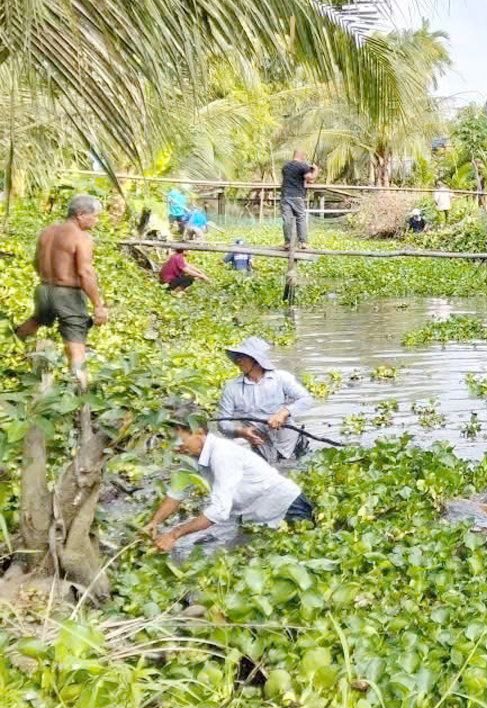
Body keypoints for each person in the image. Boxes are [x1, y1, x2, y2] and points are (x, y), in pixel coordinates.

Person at [144, 403, 314, 552]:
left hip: (288, 507)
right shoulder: (190, 459)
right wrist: (154, 523)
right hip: (255, 516)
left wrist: (174, 535)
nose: (176, 447)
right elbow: (175, 495)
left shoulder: (222, 454)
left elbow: (219, 510)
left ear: (199, 432)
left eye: (180, 440)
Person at [14, 194, 109, 379]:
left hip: (43, 290)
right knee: (75, 341)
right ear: (81, 214)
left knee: (36, 320)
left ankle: (9, 350)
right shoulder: (82, 237)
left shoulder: (47, 232)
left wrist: (51, 279)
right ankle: (79, 388)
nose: (96, 221)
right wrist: (98, 305)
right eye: (95, 216)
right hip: (67, 294)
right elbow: (85, 273)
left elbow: (36, 262)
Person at [218, 336, 315, 466]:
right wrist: (241, 432)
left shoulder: (281, 378)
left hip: (293, 444)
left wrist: (283, 413)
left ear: (256, 360)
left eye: (243, 356)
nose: (238, 360)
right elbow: (222, 424)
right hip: (262, 451)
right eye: (237, 356)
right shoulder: (231, 388)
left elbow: (307, 400)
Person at [279, 152, 317, 250]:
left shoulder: (285, 166)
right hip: (297, 196)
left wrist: (308, 170)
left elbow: (296, 177)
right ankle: (303, 242)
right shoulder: (303, 166)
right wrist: (315, 170)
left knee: (287, 219)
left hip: (285, 195)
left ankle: (288, 242)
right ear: (302, 156)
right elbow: (311, 179)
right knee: (300, 218)